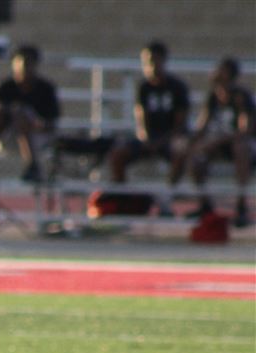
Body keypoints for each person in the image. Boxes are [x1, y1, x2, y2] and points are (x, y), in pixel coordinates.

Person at [107, 41, 190, 209]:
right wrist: (146, 139)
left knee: (181, 151)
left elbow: (180, 124)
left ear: (163, 60)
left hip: (170, 138)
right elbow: (141, 119)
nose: (150, 66)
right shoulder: (144, 87)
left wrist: (161, 141)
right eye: (146, 62)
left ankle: (167, 198)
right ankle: (123, 199)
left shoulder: (177, 87)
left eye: (154, 60)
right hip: (149, 138)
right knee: (117, 154)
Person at [0, 44, 60, 184]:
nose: (24, 68)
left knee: (22, 114)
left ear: (35, 65)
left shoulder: (45, 89)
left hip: (38, 137)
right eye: (20, 63)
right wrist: (1, 113)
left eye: (28, 63)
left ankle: (33, 167)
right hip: (7, 137)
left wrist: (31, 121)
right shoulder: (6, 87)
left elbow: (50, 123)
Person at [184, 57, 253, 227]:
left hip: (237, 143)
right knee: (195, 153)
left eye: (220, 70)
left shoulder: (241, 96)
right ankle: (204, 203)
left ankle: (241, 204)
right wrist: (191, 142)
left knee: (241, 149)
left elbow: (246, 130)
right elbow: (201, 127)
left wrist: (218, 140)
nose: (215, 73)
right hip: (216, 144)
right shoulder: (213, 97)